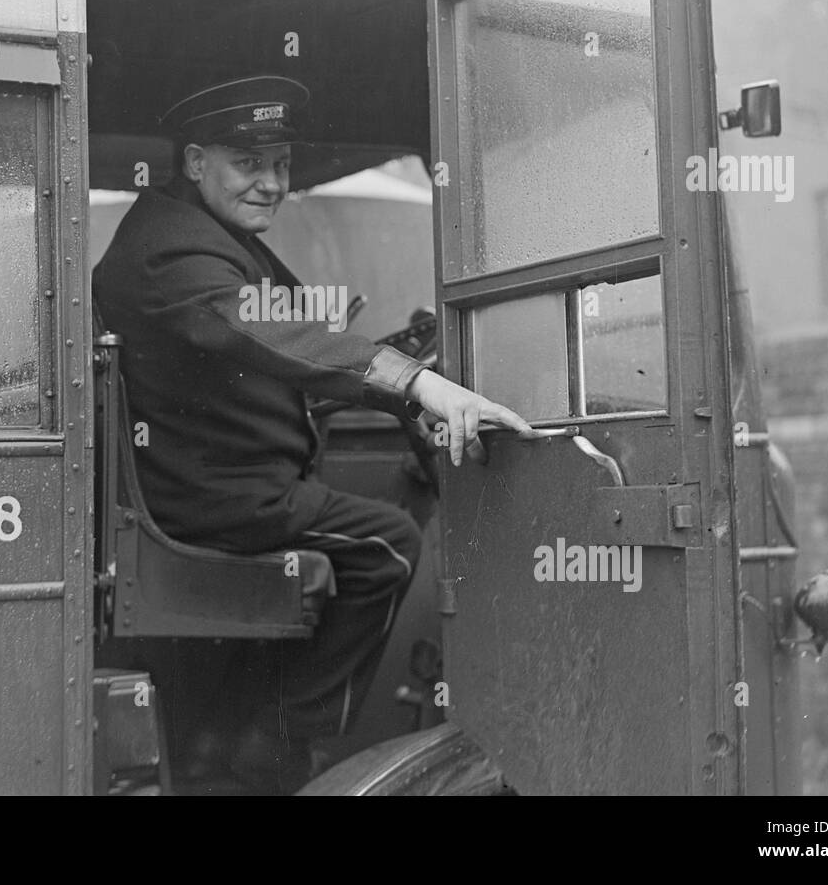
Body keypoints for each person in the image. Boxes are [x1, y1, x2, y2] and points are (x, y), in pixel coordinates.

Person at [92, 75, 538, 793]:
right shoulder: (168, 249)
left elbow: (260, 364)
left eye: (281, 164)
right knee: (389, 548)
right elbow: (270, 334)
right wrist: (413, 382)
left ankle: (254, 734)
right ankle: (285, 744)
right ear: (197, 161)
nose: (271, 183)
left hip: (216, 477)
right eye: (249, 164)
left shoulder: (196, 227)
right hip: (210, 499)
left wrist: (396, 389)